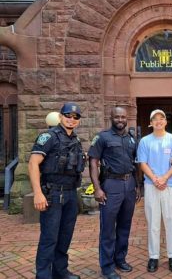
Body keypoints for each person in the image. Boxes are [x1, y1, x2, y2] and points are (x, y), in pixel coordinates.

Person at [28, 102, 85, 279]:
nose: (71, 119)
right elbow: (33, 164)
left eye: (75, 117)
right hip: (52, 194)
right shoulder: (48, 136)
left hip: (70, 194)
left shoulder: (76, 140)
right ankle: (43, 275)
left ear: (79, 121)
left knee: (65, 237)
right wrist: (38, 193)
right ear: (60, 117)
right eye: (68, 115)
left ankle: (60, 271)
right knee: (49, 238)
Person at [88, 106, 141, 279]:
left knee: (125, 226)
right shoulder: (102, 137)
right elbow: (93, 162)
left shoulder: (131, 139)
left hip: (129, 185)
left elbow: (136, 164)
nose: (120, 120)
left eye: (123, 117)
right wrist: (97, 188)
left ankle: (120, 259)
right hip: (111, 185)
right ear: (111, 117)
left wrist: (137, 186)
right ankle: (107, 266)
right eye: (117, 117)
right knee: (108, 228)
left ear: (127, 118)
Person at [137, 109, 172, 273]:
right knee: (153, 222)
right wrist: (156, 179)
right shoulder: (144, 141)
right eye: (154, 119)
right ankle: (153, 256)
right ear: (151, 123)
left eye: (161, 118)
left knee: (171, 221)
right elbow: (142, 163)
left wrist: (164, 178)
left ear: (165, 121)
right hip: (151, 186)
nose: (158, 121)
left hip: (170, 185)